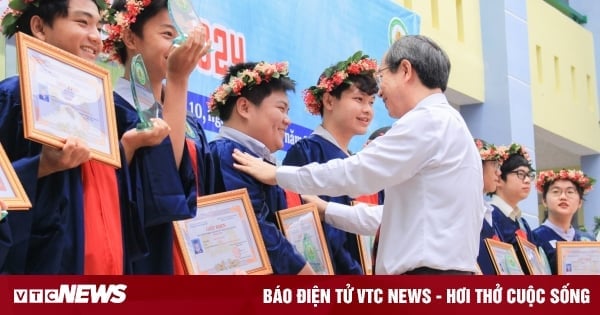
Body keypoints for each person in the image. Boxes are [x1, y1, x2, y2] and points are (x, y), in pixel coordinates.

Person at [232, 35, 483, 275]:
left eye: (382, 76)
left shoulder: (428, 121)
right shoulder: (449, 124)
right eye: (359, 99)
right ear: (329, 101)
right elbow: (391, 216)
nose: (379, 94)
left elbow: (357, 173)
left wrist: (276, 174)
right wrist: (326, 209)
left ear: (405, 71)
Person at [0, 0, 130, 274]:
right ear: (39, 27)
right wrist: (43, 166)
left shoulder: (102, 107)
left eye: (99, 26)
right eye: (82, 23)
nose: (96, 37)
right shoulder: (14, 96)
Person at [103, 0, 212, 274]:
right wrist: (178, 79)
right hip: (141, 258)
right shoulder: (108, 109)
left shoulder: (191, 125)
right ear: (130, 37)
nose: (180, 45)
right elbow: (162, 182)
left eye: (181, 35)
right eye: (167, 34)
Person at [207, 61, 315, 275]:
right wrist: (303, 272)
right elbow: (254, 226)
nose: (288, 120)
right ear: (245, 108)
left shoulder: (255, 158)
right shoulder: (230, 153)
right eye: (281, 108)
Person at [282, 51, 379, 274]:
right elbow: (311, 225)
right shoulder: (306, 152)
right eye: (358, 99)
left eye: (371, 102)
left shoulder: (355, 160)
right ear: (328, 100)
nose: (367, 110)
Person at [532, 168, 595, 274]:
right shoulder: (534, 238)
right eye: (556, 192)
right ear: (544, 201)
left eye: (570, 192)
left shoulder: (589, 241)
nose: (563, 197)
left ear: (579, 202)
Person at [489, 143, 537, 250]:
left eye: (529, 175)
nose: (527, 180)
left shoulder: (522, 222)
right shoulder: (489, 216)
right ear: (499, 178)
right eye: (520, 174)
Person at [473, 138, 503, 275]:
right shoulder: (465, 210)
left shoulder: (490, 212)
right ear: (478, 166)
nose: (499, 173)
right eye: (495, 166)